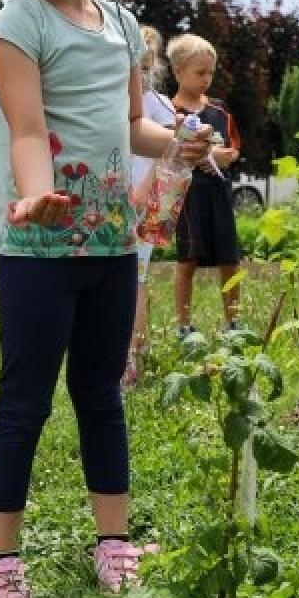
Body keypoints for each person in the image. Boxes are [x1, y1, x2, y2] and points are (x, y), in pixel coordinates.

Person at [0, 0, 211, 598]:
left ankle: (113, 543)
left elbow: (132, 125)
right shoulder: (16, 25)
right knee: (25, 402)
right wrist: (38, 196)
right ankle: (1, 560)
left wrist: (179, 141)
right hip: (38, 250)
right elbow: (26, 130)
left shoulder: (117, 23)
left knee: (101, 396)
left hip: (111, 245)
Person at [166, 33, 242, 339]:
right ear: (178, 72)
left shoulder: (220, 111)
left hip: (218, 193)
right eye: (200, 73)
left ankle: (233, 324)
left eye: (211, 72)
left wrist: (216, 156)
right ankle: (184, 327)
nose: (207, 79)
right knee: (188, 259)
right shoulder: (168, 112)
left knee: (230, 258)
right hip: (187, 195)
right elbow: (167, 154)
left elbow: (232, 150)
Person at [121, 25, 176, 389]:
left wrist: (144, 190)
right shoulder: (120, 102)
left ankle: (132, 357)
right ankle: (126, 353)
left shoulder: (158, 105)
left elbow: (168, 154)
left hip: (142, 201)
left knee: (135, 278)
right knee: (123, 275)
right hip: (118, 197)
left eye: (142, 68)